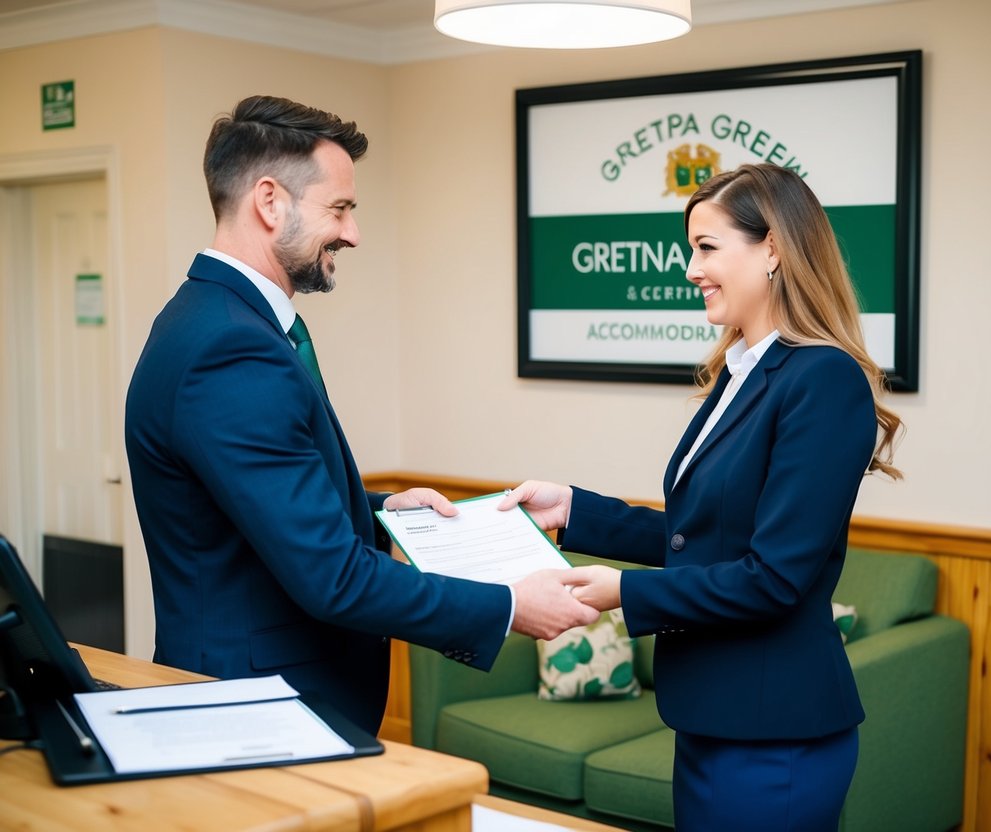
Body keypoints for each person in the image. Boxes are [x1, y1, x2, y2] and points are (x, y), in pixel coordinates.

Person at [125, 95, 597, 735]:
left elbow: (255, 504)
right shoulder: (230, 348)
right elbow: (333, 579)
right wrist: (508, 605)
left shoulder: (208, 319)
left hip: (267, 696)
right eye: (340, 209)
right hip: (256, 709)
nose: (353, 233)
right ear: (270, 201)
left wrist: (378, 512)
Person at [500, 163, 903, 831]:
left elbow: (773, 578)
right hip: (716, 720)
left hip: (776, 737)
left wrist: (623, 595)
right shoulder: (741, 372)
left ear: (771, 249)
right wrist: (574, 510)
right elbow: (703, 536)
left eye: (707, 248)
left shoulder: (822, 379)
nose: (691, 268)